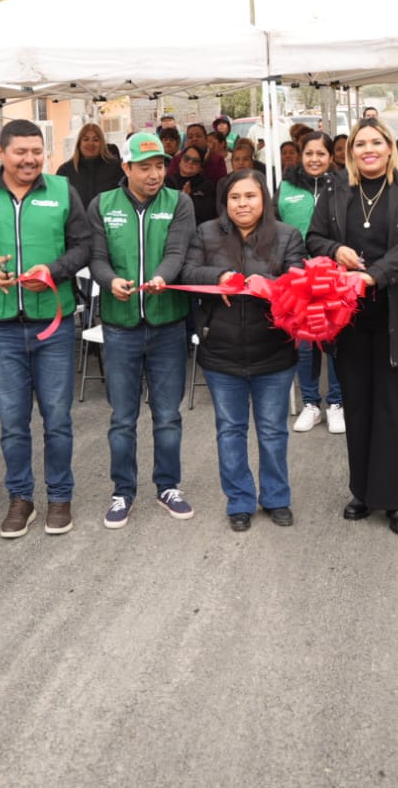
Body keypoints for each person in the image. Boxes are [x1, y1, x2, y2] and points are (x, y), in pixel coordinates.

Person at [0, 119, 91, 538]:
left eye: (36, 151)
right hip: (3, 325)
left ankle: (60, 497)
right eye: (20, 152)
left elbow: (84, 245)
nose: (30, 159)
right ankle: (21, 499)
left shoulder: (63, 190)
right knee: (12, 422)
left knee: (58, 419)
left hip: (54, 324)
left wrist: (56, 269)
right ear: (2, 150)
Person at [308, 118, 398, 535]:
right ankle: (361, 491)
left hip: (396, 311)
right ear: (351, 152)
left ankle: (395, 498)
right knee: (358, 403)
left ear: (389, 147)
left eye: (376, 142)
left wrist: (372, 274)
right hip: (348, 316)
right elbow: (313, 238)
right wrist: (335, 248)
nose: (368, 149)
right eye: (360, 144)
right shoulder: (335, 189)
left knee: (394, 407)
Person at [183, 169, 305, 531]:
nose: (242, 204)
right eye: (235, 197)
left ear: (264, 199)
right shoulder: (206, 233)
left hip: (274, 351)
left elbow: (298, 281)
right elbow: (188, 271)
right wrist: (216, 278)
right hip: (221, 350)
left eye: (250, 196)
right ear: (226, 202)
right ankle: (239, 500)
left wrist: (268, 286)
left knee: (272, 430)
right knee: (230, 430)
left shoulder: (287, 236)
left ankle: (276, 497)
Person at [89, 132, 198, 529]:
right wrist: (109, 281)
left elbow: (178, 252)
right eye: (145, 167)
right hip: (120, 327)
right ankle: (123, 491)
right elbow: (97, 257)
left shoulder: (179, 202)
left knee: (168, 414)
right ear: (127, 168)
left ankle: (168, 485)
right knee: (123, 416)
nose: (154, 175)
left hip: (168, 323)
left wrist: (160, 277)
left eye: (160, 166)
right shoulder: (102, 204)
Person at [277, 132, 345, 435]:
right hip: (297, 276)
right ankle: (310, 404)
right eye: (309, 153)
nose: (315, 159)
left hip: (334, 274)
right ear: (300, 156)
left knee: (334, 342)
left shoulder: (344, 185)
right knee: (305, 344)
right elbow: (275, 226)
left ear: (330, 157)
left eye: (321, 153)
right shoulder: (286, 185)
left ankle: (336, 403)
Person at [56, 122, 121, 209]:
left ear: (102, 143)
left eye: (96, 139)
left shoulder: (116, 169)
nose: (90, 143)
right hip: (77, 222)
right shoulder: (65, 171)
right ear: (79, 143)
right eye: (86, 139)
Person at [167, 145, 217, 224]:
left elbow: (209, 214)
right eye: (186, 159)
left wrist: (189, 197)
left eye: (195, 161)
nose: (190, 162)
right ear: (180, 162)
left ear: (201, 167)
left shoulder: (208, 186)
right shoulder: (167, 182)